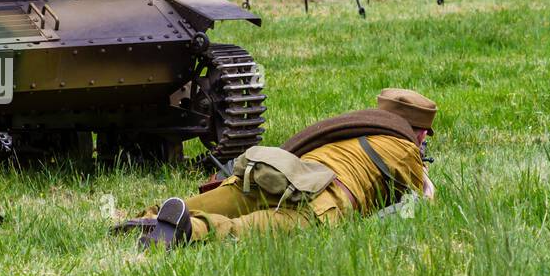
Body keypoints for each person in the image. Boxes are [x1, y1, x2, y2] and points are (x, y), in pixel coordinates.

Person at [115, 88, 437, 249]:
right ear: (419, 132)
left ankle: (149, 217)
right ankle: (187, 230)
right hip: (324, 197)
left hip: (280, 169)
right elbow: (419, 199)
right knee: (250, 229)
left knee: (232, 198)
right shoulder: (405, 148)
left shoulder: (353, 127)